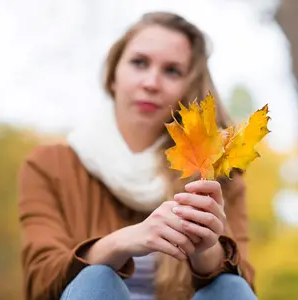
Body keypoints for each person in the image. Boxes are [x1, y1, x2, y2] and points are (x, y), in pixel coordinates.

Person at [18, 11, 257, 300]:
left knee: (230, 286)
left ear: (188, 86)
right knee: (97, 277)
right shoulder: (49, 165)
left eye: (172, 71)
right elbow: (40, 282)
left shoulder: (215, 174)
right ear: (113, 75)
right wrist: (119, 244)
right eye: (139, 63)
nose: (152, 82)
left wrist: (207, 250)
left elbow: (244, 290)